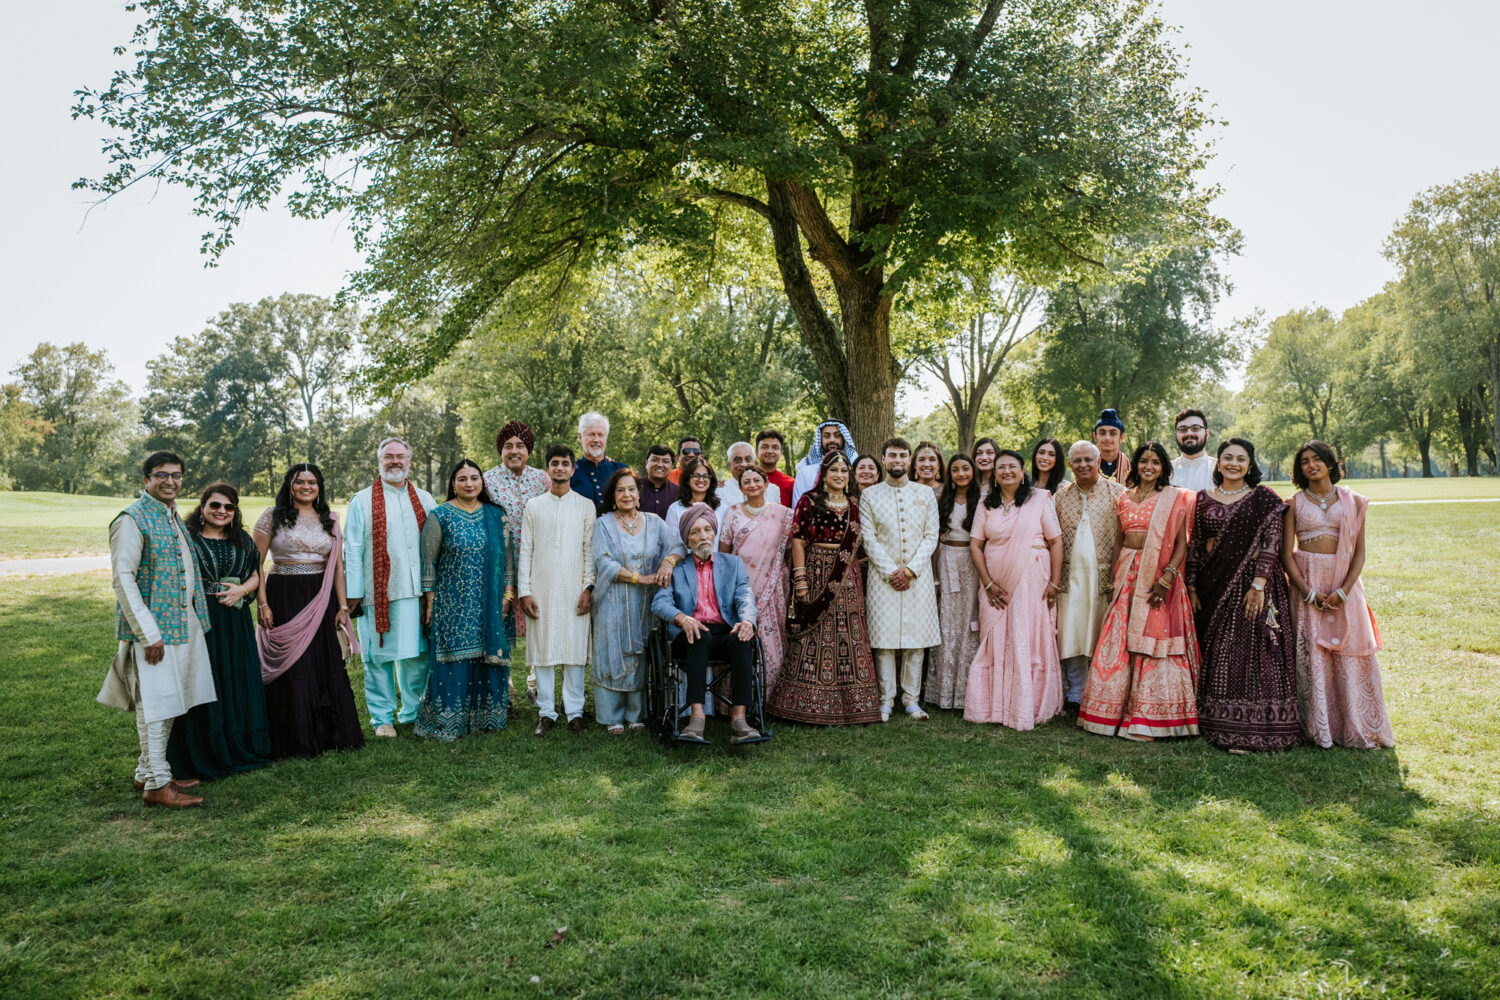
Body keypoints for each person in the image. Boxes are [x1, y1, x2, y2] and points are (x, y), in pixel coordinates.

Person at [97, 452, 216, 808]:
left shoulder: (171, 515)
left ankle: (147, 773)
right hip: (155, 634)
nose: (170, 481)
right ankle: (158, 784)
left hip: (182, 625)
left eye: (176, 475)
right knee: (157, 705)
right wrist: (149, 633)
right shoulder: (132, 520)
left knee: (169, 702)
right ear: (146, 479)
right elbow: (123, 579)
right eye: (161, 475)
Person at [1186, 437, 1302, 752]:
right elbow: (1195, 544)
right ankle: (1220, 724)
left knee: (1262, 653)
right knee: (1222, 653)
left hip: (1257, 588)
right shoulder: (1202, 499)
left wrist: (1259, 585)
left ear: (1250, 465)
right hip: (1214, 587)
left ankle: (1265, 728)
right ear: (1218, 463)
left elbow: (1272, 542)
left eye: (1241, 459)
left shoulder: (1263, 499)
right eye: (1228, 457)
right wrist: (1193, 586)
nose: (1234, 463)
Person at [1077, 442, 1199, 740]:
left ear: (1163, 468)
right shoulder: (1124, 497)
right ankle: (1111, 712)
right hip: (1127, 574)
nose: (1149, 467)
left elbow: (1183, 542)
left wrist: (1168, 576)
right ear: (1134, 464)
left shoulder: (1175, 498)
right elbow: (1120, 539)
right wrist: (1113, 577)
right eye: (1143, 461)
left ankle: (1152, 714)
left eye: (1155, 462)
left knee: (1154, 639)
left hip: (1160, 575)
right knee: (1118, 639)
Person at [1282, 440, 1393, 749]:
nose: (1311, 465)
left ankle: (1354, 724)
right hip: (1307, 584)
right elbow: (1286, 554)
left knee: (1345, 652)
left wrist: (1343, 592)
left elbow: (1359, 552)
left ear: (1330, 463)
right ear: (1299, 468)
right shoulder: (1293, 503)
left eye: (1317, 459)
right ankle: (1318, 727)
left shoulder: (1353, 501)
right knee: (1313, 655)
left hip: (1344, 585)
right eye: (1304, 461)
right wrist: (1307, 592)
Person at [254, 463, 365, 758]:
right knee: (293, 664)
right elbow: (256, 565)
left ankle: (331, 735)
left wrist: (342, 607)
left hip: (321, 594)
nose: (306, 486)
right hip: (284, 594)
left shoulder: (329, 519)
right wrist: (262, 603)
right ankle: (294, 739)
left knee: (324, 662)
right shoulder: (272, 517)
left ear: (320, 487)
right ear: (289, 485)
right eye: (299, 481)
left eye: (312, 482)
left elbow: (338, 567)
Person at [166, 482, 272, 781]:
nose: (222, 511)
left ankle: (239, 745)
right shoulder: (186, 538)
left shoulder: (242, 540)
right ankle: (201, 751)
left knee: (235, 678)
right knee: (205, 680)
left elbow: (256, 573)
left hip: (235, 620)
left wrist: (242, 590)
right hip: (201, 618)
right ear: (203, 507)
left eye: (228, 507)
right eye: (215, 505)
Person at [769, 451, 884, 725]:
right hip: (816, 570)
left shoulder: (856, 504)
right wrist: (800, 579)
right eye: (834, 470)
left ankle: (855, 705)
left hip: (847, 576)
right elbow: (797, 540)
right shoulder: (809, 501)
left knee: (849, 632)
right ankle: (802, 702)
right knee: (813, 634)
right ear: (824, 474)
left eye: (844, 471)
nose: (840, 475)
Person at [964, 449, 1064, 730]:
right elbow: (975, 544)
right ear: (994, 475)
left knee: (1026, 632)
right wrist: (988, 582)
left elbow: (1055, 542)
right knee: (995, 635)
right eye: (1000, 467)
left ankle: (1027, 704)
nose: (1006, 471)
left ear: (1022, 472)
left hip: (1032, 575)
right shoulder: (986, 503)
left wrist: (1054, 582)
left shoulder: (1039, 500)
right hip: (994, 577)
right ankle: (993, 705)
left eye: (1012, 466)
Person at [343, 438, 437, 737]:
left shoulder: (424, 498)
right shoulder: (362, 500)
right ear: (379, 462)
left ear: (410, 461)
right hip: (376, 593)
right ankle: (382, 718)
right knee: (378, 657)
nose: (395, 461)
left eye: (400, 456)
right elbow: (353, 549)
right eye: (388, 457)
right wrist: (355, 593)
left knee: (416, 655)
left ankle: (412, 711)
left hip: (417, 592)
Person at [415, 460, 511, 741]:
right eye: (462, 479)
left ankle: (487, 719)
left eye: (474, 478)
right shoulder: (440, 515)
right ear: (453, 484)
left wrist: (507, 596)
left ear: (482, 482)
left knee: (487, 658)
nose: (469, 484)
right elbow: (428, 562)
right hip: (452, 603)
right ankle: (450, 719)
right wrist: (431, 602)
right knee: (452, 659)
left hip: (489, 603)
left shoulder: (497, 516)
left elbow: (509, 563)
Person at [653, 504, 764, 743]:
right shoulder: (677, 569)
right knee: (698, 635)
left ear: (714, 533)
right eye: (695, 532)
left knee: (743, 638)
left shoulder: (732, 564)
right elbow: (659, 603)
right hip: (690, 634)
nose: (702, 536)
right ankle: (697, 718)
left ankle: (739, 720)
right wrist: (683, 619)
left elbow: (745, 596)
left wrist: (747, 621)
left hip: (724, 631)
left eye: (706, 530)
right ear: (687, 539)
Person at [860, 438, 941, 721]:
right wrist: (891, 571)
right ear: (883, 459)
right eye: (892, 455)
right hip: (883, 579)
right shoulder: (870, 495)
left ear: (909, 460)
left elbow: (932, 535)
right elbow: (868, 538)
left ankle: (911, 701)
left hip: (918, 577)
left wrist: (910, 571)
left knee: (915, 642)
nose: (897, 459)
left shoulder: (925, 493)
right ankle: (885, 700)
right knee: (884, 641)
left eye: (902, 455)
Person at [518, 445, 597, 735]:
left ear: (573, 469)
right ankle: (547, 712)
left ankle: (574, 711)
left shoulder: (586, 505)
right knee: (544, 650)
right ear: (547, 469)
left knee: (574, 649)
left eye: (565, 463)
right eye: (555, 463)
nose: (560, 468)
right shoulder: (534, 506)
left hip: (576, 588)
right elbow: (525, 550)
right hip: (541, 588)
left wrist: (588, 587)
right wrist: (525, 592)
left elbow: (590, 550)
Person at [592, 468, 676, 733]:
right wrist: (639, 578)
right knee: (611, 651)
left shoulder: (654, 522)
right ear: (612, 496)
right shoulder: (603, 523)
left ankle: (637, 713)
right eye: (620, 490)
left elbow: (677, 546)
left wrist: (667, 563)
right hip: (612, 599)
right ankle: (611, 715)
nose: (626, 494)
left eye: (631, 489)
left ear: (639, 494)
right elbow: (603, 562)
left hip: (644, 603)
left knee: (639, 653)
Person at [1052, 442, 1125, 711]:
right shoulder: (1060, 497)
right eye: (1077, 461)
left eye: (1088, 460)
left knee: (1099, 630)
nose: (1083, 465)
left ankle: (1100, 690)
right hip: (1069, 577)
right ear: (1070, 465)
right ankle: (1075, 691)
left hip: (1104, 576)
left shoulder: (1118, 493)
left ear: (1098, 462)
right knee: (1071, 631)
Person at [719, 465, 794, 695]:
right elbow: (725, 553)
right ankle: (736, 698)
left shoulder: (783, 514)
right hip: (741, 586)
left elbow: (789, 551)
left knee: (772, 640)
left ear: (766, 484)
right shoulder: (732, 512)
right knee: (741, 638)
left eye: (756, 480)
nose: (752, 485)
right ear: (741, 488)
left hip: (773, 586)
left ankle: (770, 698)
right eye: (746, 482)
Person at [483, 419, 549, 645]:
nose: (514, 451)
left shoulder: (542, 479)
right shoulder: (487, 481)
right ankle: (504, 679)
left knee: (541, 627)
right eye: (508, 446)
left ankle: (537, 679)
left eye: (520, 445)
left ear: (528, 450)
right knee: (500, 630)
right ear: (501, 451)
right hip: (501, 567)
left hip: (537, 565)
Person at [926, 453, 980, 710]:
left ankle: (967, 689)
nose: (961, 474)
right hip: (946, 559)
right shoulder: (940, 499)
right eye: (956, 469)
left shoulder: (981, 500)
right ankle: (943, 691)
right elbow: (935, 538)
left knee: (970, 622)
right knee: (946, 619)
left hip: (972, 561)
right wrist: (935, 576)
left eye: (965, 469)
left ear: (973, 471)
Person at [791, 419, 858, 509]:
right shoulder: (805, 471)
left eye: (837, 435)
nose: (832, 440)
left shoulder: (855, 469)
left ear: (844, 439)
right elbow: (797, 508)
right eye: (827, 436)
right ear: (820, 440)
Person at [570, 411, 626, 513]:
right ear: (580, 437)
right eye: (591, 434)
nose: (596, 440)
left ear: (606, 438)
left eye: (600, 435)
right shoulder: (571, 471)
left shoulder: (621, 470)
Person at [664, 455, 723, 545]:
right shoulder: (675, 509)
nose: (701, 480)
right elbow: (670, 544)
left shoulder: (721, 507)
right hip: (684, 558)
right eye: (696, 475)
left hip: (715, 558)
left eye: (706, 476)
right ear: (687, 480)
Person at [1170, 408, 1216, 492]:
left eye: (1195, 428)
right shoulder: (1166, 471)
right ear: (1176, 435)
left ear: (1207, 434)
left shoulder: (1220, 470)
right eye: (1182, 429)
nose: (1189, 433)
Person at [755, 429, 796, 507]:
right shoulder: (745, 480)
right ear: (757, 452)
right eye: (765, 447)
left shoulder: (791, 484)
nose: (770, 451)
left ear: (781, 453)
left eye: (775, 447)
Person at [638, 444, 680, 518]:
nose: (660, 465)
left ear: (672, 466)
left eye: (665, 461)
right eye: (655, 460)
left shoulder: (678, 492)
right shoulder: (634, 487)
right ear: (646, 462)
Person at [1093, 409, 1131, 483]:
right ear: (1095, 436)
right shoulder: (1088, 466)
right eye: (1102, 433)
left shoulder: (1131, 467)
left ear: (1122, 437)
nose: (1107, 438)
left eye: (1113, 433)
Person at [716, 441, 756, 507]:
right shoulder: (720, 491)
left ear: (754, 462)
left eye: (748, 459)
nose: (744, 464)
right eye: (738, 460)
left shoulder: (771, 489)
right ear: (729, 464)